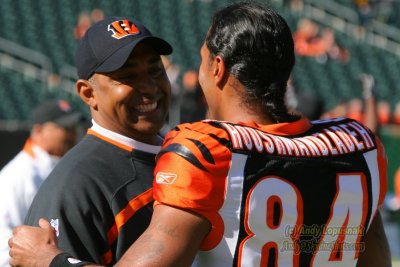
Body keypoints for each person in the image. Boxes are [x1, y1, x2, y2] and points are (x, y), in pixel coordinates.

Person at [9, 2, 391, 267]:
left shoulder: (206, 151)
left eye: (202, 60)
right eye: (128, 76)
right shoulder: (357, 143)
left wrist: (52, 261)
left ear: (218, 68)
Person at [9, 16, 173, 266]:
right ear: (88, 93)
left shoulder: (182, 151)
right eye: (127, 77)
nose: (149, 87)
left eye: (155, 70)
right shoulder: (78, 186)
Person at [0, 99, 83, 266]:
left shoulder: (62, 164)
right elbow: (4, 244)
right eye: (63, 128)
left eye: (73, 128)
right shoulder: (17, 175)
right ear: (38, 130)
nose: (72, 134)